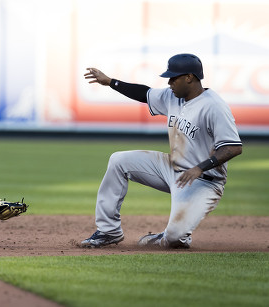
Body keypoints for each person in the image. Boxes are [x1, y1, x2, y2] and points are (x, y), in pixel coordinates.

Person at [81, 53, 242, 248]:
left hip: (203, 181)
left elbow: (233, 147)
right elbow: (144, 93)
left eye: (174, 77)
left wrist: (200, 167)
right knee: (119, 160)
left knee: (175, 238)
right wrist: (110, 82)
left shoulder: (214, 106)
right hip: (171, 168)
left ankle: (170, 235)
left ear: (189, 77)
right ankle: (108, 231)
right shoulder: (172, 96)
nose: (170, 82)